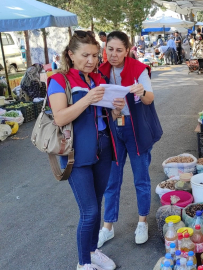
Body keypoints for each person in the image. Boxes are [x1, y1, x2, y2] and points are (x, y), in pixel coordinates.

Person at [47, 30, 125, 270]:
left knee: (98, 203)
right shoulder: (59, 80)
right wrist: (87, 99)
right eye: (85, 55)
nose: (91, 60)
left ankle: (92, 251)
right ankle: (83, 263)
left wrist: (116, 110)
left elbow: (105, 116)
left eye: (94, 55)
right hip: (76, 154)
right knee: (89, 211)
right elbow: (60, 118)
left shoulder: (96, 78)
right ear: (70, 54)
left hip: (103, 148)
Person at [97, 31, 163, 247]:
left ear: (127, 51)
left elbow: (149, 98)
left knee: (141, 178)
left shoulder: (138, 69)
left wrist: (142, 91)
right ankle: (107, 226)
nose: (113, 54)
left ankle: (142, 221)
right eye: (110, 49)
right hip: (113, 129)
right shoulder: (101, 71)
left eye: (118, 50)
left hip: (136, 131)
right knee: (111, 179)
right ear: (105, 49)